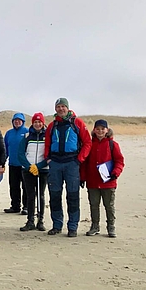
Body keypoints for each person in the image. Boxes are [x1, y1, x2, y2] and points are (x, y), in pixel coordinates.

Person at [44, 98, 92, 237]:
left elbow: (87, 143)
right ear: (55, 109)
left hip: (72, 163)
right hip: (55, 163)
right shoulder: (52, 125)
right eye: (58, 107)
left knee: (72, 196)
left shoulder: (77, 123)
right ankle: (57, 225)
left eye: (63, 106)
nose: (61, 109)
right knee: (54, 195)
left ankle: (72, 227)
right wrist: (48, 158)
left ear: (68, 108)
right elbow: (47, 143)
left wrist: (79, 159)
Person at [81, 119, 125, 238]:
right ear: (94, 130)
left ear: (107, 130)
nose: (100, 131)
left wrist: (116, 173)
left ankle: (111, 226)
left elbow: (119, 161)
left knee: (109, 205)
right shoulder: (89, 144)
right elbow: (84, 162)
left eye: (102, 129)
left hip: (108, 181)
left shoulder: (112, 144)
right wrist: (82, 178)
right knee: (94, 205)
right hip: (93, 181)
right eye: (98, 129)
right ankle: (95, 226)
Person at [17, 112, 49, 232]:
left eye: (39, 122)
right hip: (28, 170)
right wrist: (29, 166)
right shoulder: (26, 136)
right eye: (35, 122)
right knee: (30, 195)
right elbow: (20, 153)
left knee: (41, 195)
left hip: (43, 170)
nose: (37, 124)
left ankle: (40, 220)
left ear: (43, 123)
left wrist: (39, 166)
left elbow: (49, 155)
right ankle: (30, 220)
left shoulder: (47, 136)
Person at [3, 112, 29, 215]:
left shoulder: (27, 132)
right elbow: (5, 148)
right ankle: (15, 206)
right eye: (15, 120)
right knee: (14, 186)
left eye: (19, 120)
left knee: (26, 187)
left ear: (22, 122)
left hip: (24, 165)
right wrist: (2, 162)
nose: (17, 122)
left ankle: (26, 206)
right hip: (12, 164)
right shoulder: (9, 133)